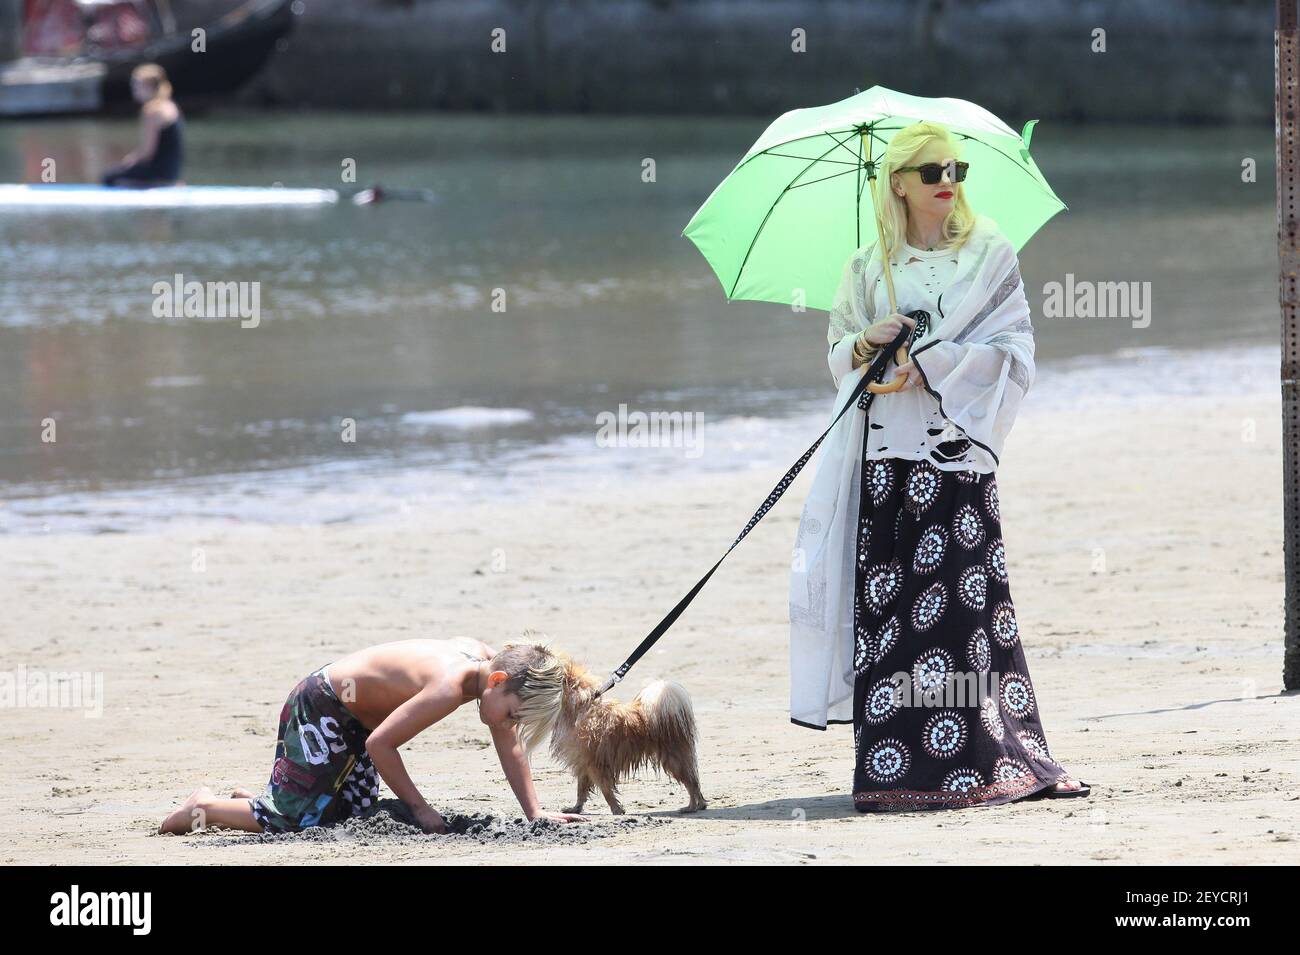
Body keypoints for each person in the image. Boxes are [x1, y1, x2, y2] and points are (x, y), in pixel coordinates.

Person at [788, 121, 1089, 811]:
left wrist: (934, 361)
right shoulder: (866, 266)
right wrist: (867, 342)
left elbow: (1016, 351)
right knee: (889, 616)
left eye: (956, 169)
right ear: (898, 183)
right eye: (931, 172)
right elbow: (838, 354)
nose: (947, 182)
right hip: (885, 464)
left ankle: (986, 764)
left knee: (963, 615)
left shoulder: (989, 254)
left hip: (954, 463)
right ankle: (897, 769)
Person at [159, 638, 589, 834]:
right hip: (323, 704)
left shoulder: (490, 667)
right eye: (514, 714)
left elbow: (507, 742)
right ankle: (206, 807)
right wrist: (420, 809)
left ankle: (258, 799)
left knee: (349, 812)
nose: (509, 725)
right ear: (497, 681)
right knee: (295, 821)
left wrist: (534, 813)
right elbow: (380, 744)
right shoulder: (448, 686)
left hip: (354, 717)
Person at [102, 63, 184, 188]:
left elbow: (147, 152)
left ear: (149, 86)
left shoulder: (152, 110)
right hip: (172, 172)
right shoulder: (170, 106)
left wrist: (130, 161)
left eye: (136, 86)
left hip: (159, 173)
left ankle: (150, 184)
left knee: (108, 177)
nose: (133, 90)